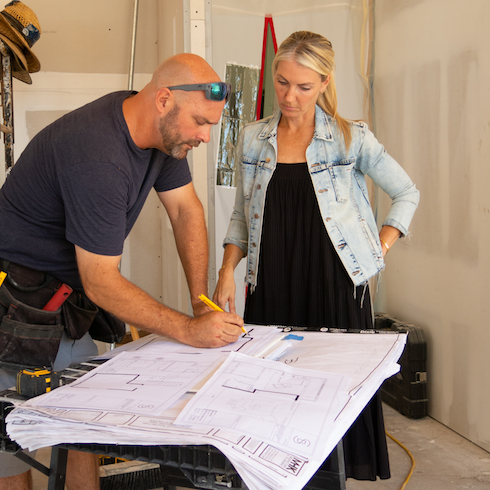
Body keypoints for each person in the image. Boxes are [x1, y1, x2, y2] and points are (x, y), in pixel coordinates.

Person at [0, 53, 244, 490]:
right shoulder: (98, 155)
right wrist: (189, 330)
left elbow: (186, 210)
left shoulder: (163, 136)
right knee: (13, 444)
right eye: (200, 123)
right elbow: (101, 281)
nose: (205, 136)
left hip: (63, 301)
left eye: (211, 125)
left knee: (87, 427)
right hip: (15, 304)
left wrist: (198, 300)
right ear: (164, 99)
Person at [213, 31, 420, 481]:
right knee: (274, 391)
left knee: (335, 394)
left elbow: (406, 193)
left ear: (325, 82)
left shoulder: (351, 138)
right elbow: (240, 219)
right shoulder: (250, 139)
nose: (290, 96)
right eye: (283, 82)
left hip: (336, 284)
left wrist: (377, 250)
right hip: (273, 282)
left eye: (304, 87)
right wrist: (226, 271)